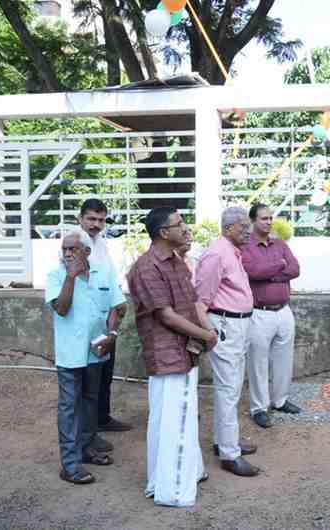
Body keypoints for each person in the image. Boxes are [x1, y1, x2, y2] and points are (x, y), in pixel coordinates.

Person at [127, 207, 216, 507]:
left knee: (177, 419)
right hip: (168, 356)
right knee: (172, 422)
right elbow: (166, 316)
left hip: (184, 352)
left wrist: (208, 330)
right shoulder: (146, 267)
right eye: (179, 224)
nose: (185, 228)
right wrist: (206, 336)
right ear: (164, 232)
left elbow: (191, 304)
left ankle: (168, 479)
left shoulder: (176, 262)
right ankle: (174, 492)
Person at [45, 230, 126, 485]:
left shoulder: (104, 271)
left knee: (91, 400)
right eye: (65, 249)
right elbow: (61, 307)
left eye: (73, 249)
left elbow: (117, 306)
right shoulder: (56, 275)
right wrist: (70, 277)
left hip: (96, 351)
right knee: (69, 407)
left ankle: (86, 448)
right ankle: (69, 465)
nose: (67, 254)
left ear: (87, 252)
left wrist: (112, 333)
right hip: (70, 353)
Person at [195, 206, 260, 477]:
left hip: (238, 325)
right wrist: (210, 331)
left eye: (248, 225)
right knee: (228, 389)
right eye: (243, 226)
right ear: (228, 228)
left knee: (232, 386)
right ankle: (229, 455)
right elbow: (200, 300)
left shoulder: (230, 251)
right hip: (225, 326)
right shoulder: (216, 253)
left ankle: (225, 442)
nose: (248, 230)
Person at [242, 203, 302, 429]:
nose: (268, 222)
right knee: (258, 362)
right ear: (253, 221)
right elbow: (253, 272)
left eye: (270, 218)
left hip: (284, 311)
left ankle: (280, 400)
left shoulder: (280, 244)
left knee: (284, 360)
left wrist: (272, 275)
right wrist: (279, 265)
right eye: (264, 219)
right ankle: (259, 407)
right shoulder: (246, 246)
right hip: (259, 313)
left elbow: (295, 269)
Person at [77, 198, 132, 434]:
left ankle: (102, 417)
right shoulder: (74, 242)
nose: (96, 224)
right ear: (80, 218)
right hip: (84, 321)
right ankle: (88, 431)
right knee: (87, 380)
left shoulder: (101, 243)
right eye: (91, 218)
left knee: (105, 371)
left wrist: (116, 310)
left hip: (106, 318)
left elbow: (110, 279)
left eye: (100, 220)